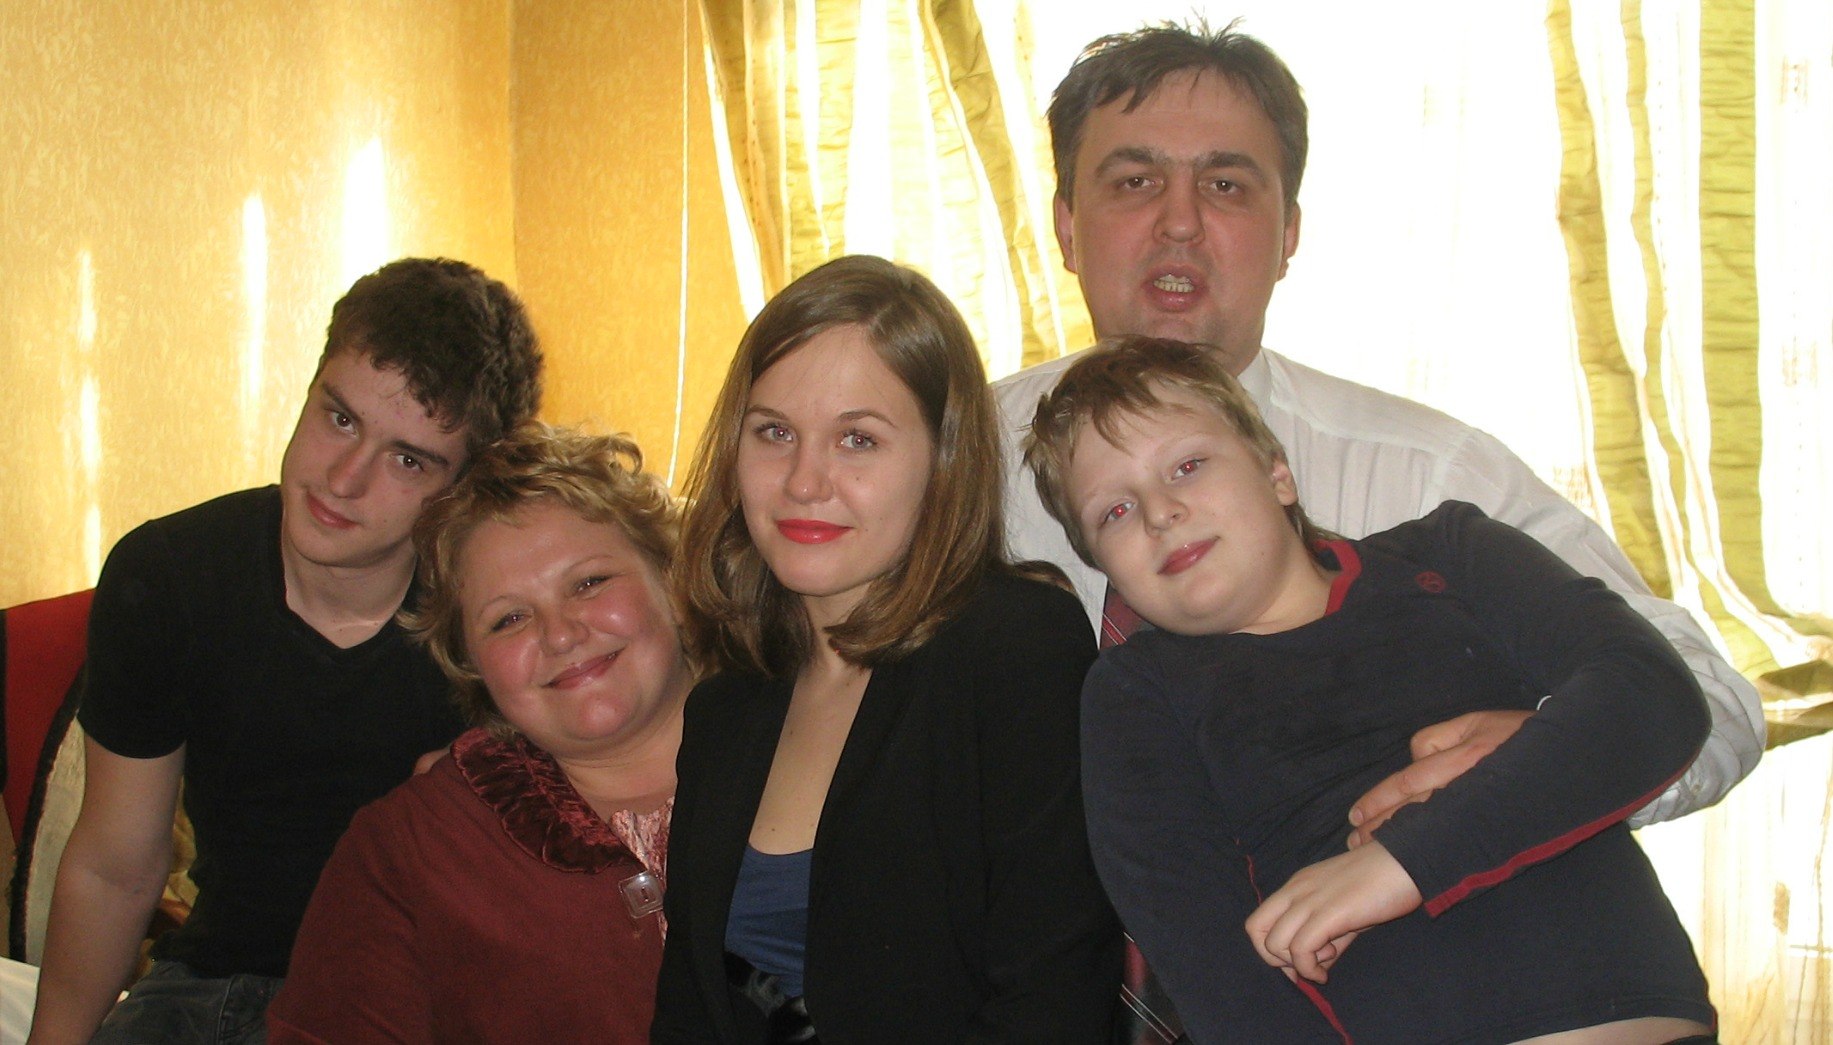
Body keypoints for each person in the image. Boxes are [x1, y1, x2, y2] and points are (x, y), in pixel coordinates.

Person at [996, 20, 1761, 842]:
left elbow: (1711, 699)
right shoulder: (956, 457)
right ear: (1067, 228)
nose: (1178, 222)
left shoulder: (1431, 478)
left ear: (1287, 235)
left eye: (1224, 185)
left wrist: (1542, 763)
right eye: (1135, 181)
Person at [1024, 336, 1717, 1043]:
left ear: (1276, 473)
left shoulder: (1452, 552)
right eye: (1114, 511)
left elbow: (1650, 695)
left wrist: (1402, 864)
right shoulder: (1133, 694)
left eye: (1187, 466)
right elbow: (1215, 971)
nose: (1159, 511)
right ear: (1100, 563)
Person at [28, 258, 544, 1045]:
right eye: (339, 418)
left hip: (415, 1003)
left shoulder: (496, 618)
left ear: (462, 487)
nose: (344, 478)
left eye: (407, 459)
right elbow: (115, 866)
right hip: (209, 987)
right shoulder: (169, 576)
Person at [653, 255, 1122, 1042]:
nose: (804, 481)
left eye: (857, 439)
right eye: (774, 432)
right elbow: (693, 1007)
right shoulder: (726, 703)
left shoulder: (1018, 648)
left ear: (941, 460)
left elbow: (1051, 1000)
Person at [265, 423, 688, 1043]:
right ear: (471, 664)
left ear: (673, 579)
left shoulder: (819, 756)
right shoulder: (409, 851)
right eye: (508, 618)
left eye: (589, 583)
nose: (560, 634)